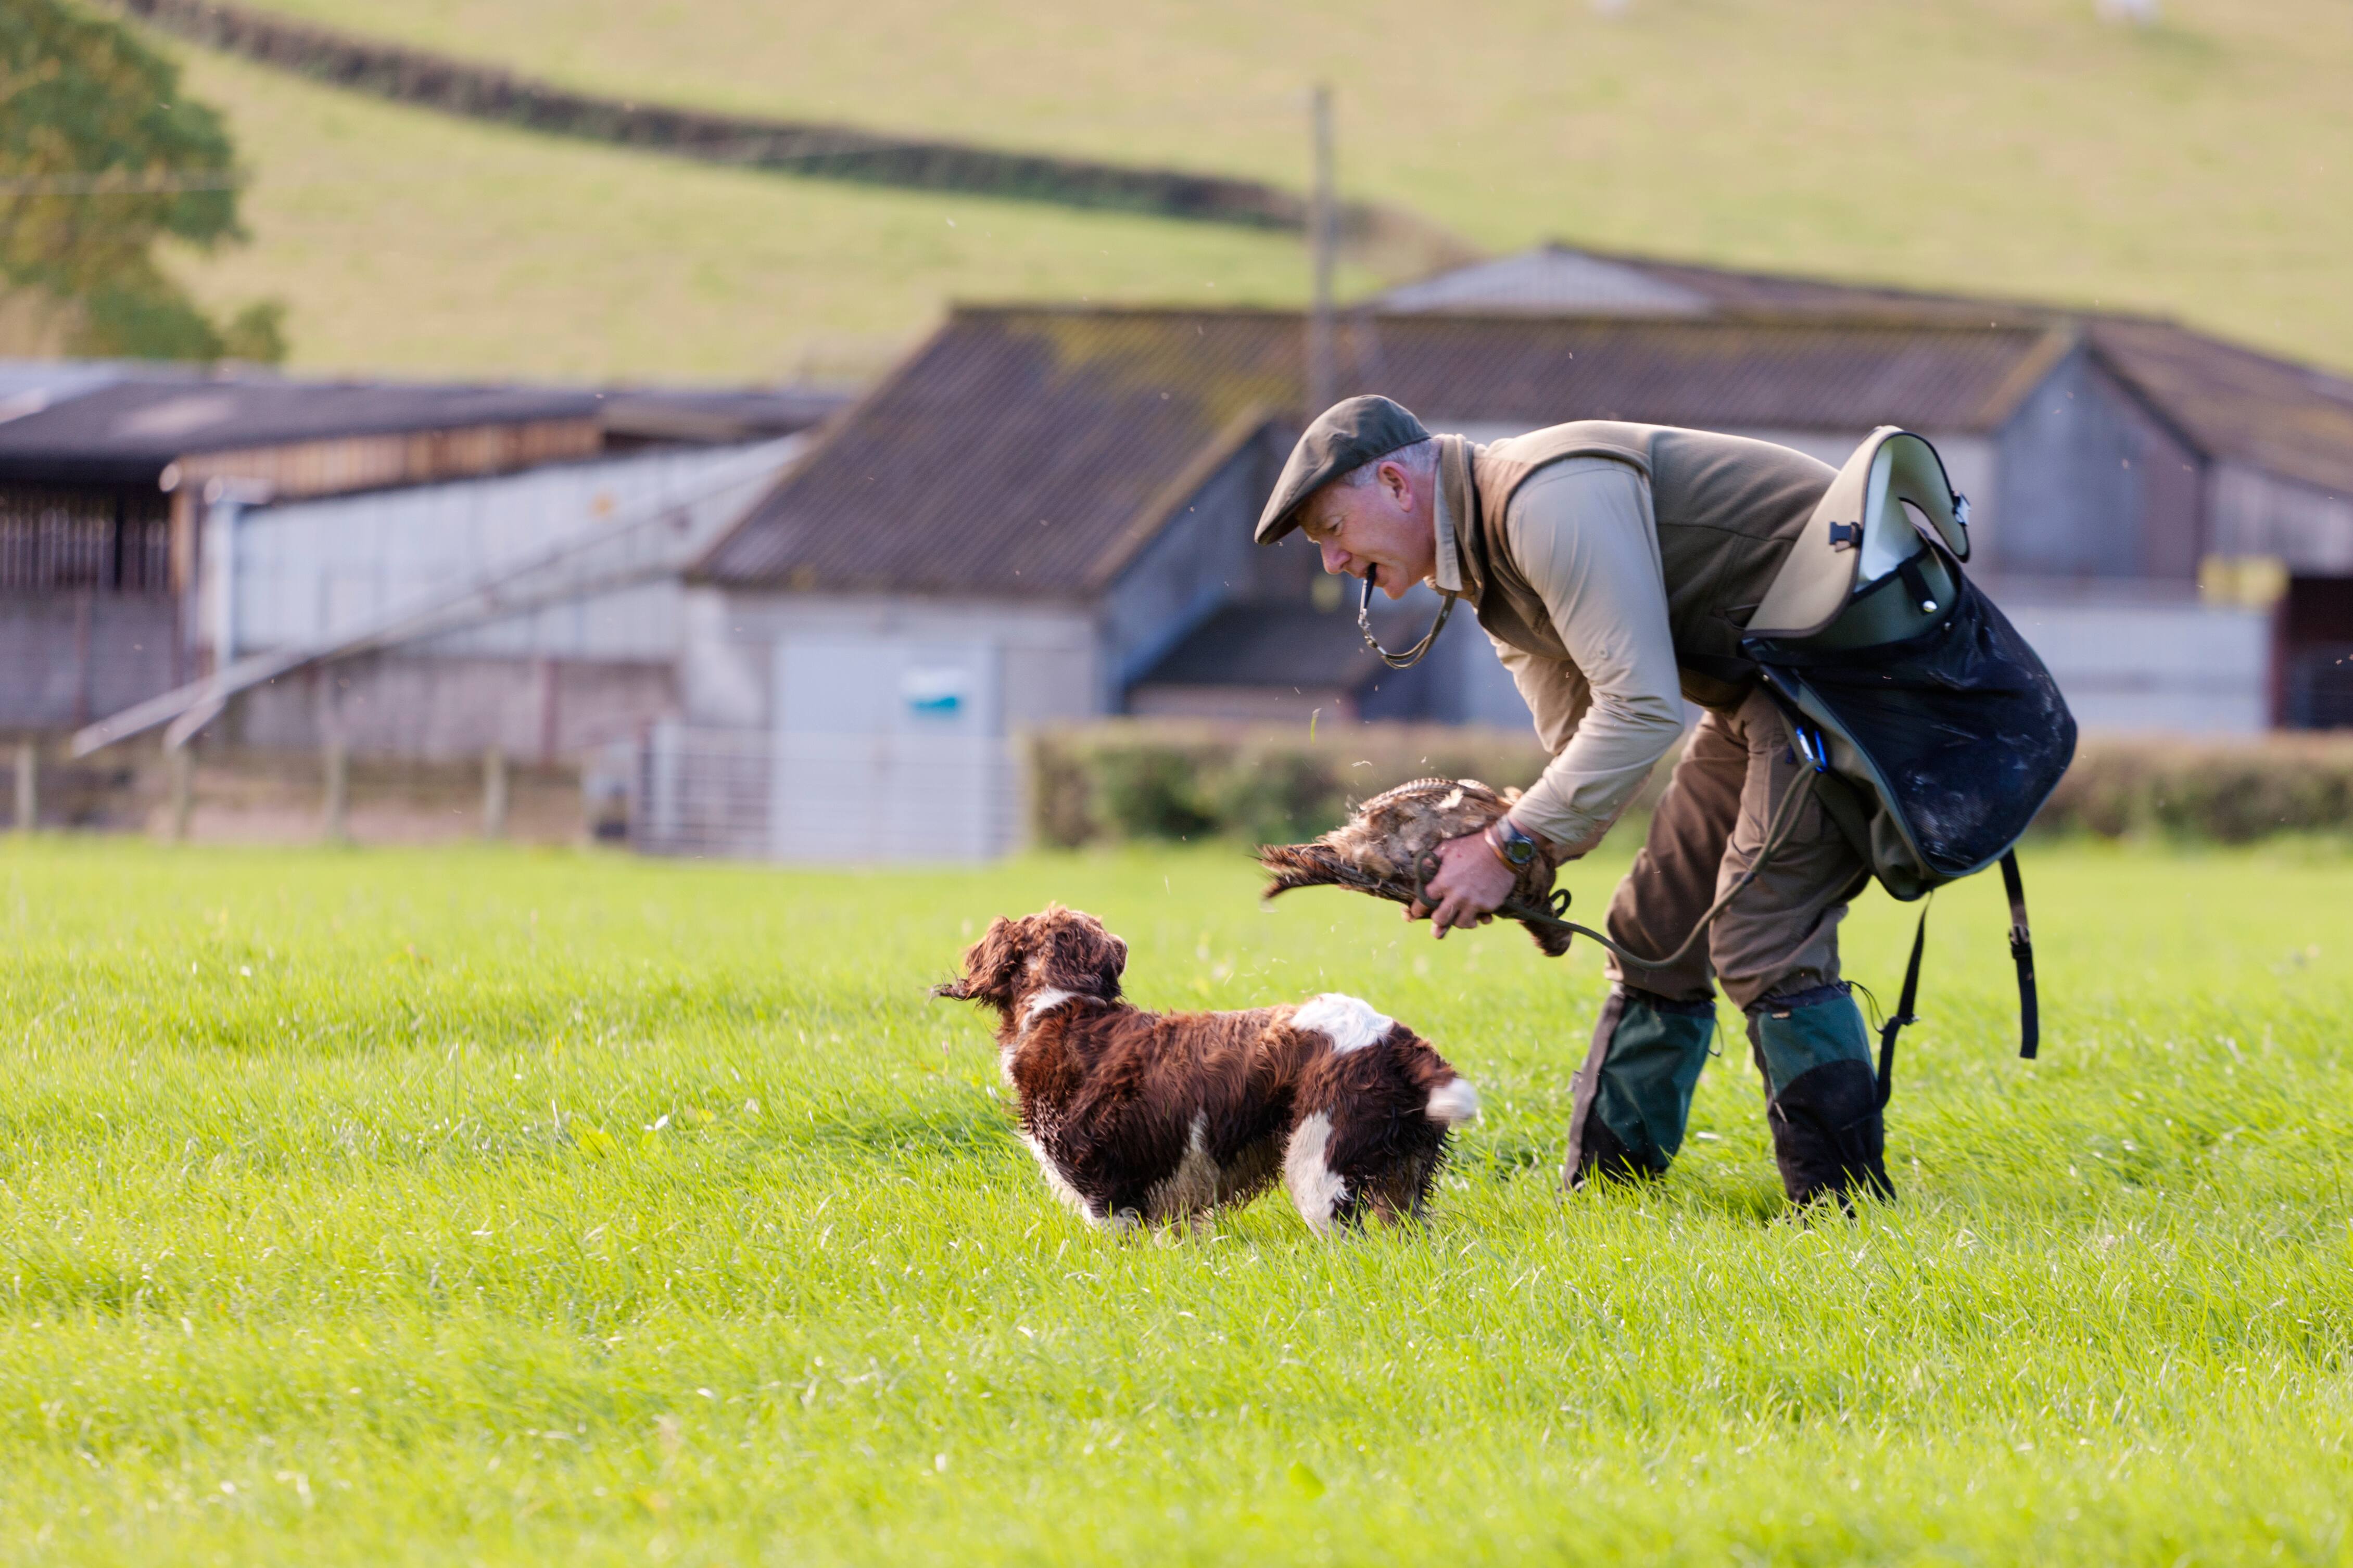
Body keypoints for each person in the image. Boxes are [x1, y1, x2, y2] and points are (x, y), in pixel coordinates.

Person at [1254, 395, 1893, 1208]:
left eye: (1332, 530)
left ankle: (1847, 1212)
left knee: (1760, 933)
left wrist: (1506, 849)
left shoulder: (1542, 502)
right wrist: (1495, 863)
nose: (1332, 564)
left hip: (1855, 666)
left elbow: (1641, 711)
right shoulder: (1489, 575)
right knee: (1654, 931)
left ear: (1395, 483)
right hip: (1766, 688)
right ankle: (1610, 1197)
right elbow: (1585, 762)